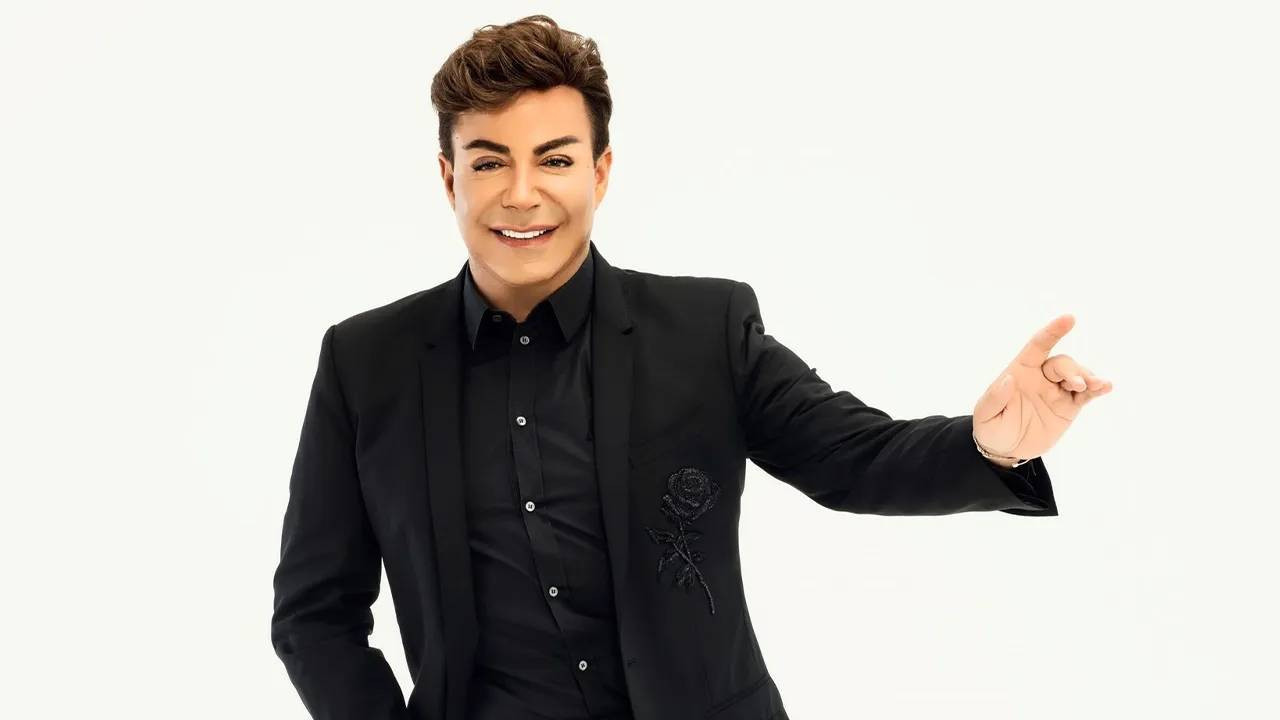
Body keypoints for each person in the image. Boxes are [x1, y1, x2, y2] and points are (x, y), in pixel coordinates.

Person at [269, 14, 1113, 720]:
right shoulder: (365, 363)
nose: (522, 193)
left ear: (601, 171)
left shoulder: (705, 332)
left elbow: (854, 459)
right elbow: (314, 613)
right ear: (448, 177)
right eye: (490, 161)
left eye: (555, 159)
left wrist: (991, 445)